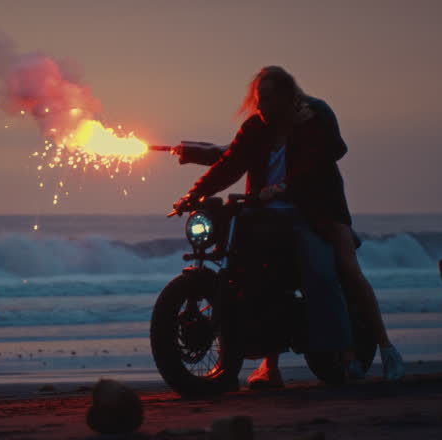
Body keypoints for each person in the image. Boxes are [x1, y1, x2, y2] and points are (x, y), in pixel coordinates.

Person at [173, 66, 405, 387]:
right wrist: (193, 194)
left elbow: (326, 155)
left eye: (267, 98)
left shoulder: (313, 115)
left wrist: (282, 188)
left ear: (285, 96)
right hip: (264, 214)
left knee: (325, 273)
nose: (261, 106)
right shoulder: (255, 128)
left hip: (314, 211)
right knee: (250, 273)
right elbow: (230, 164)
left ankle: (374, 351)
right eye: (258, 99)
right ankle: (266, 365)